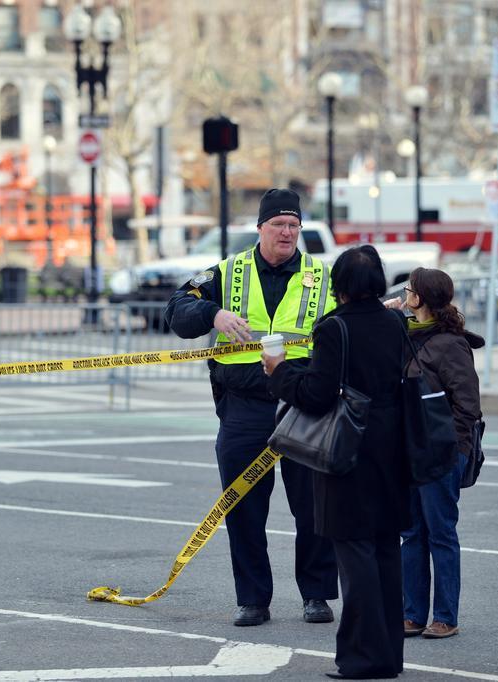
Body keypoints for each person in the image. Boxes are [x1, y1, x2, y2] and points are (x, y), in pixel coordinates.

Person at [164, 188, 338, 627]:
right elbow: (177, 309)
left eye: (294, 226)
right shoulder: (228, 271)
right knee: (243, 508)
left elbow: (356, 317)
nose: (287, 233)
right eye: (278, 225)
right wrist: (213, 315)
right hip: (244, 407)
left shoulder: (322, 274)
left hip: (304, 405)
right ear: (260, 228)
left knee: (313, 506)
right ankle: (253, 600)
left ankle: (316, 594)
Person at [264, 245, 410, 680]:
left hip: (348, 451)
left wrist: (279, 371)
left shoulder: (333, 329)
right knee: (386, 550)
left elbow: (316, 394)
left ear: (340, 286)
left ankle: (361, 657)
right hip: (391, 449)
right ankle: (388, 655)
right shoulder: (394, 323)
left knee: (356, 554)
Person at [385, 268, 483, 640]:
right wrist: (389, 310)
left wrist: (453, 450)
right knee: (412, 533)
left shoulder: (450, 343)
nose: (405, 294)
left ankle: (445, 616)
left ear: (420, 298)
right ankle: (412, 614)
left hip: (440, 453)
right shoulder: (406, 333)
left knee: (440, 533)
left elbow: (468, 405)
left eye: (409, 290)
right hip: (409, 451)